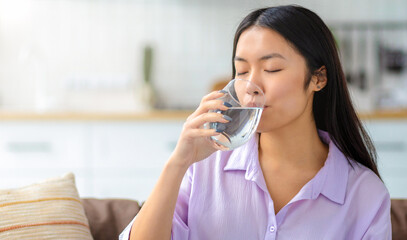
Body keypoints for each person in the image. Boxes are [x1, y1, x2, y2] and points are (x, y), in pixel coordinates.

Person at [120, 5, 391, 240]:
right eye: (242, 71)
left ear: (318, 78)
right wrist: (178, 162)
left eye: (271, 69)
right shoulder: (204, 167)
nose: (251, 85)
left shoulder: (364, 195)